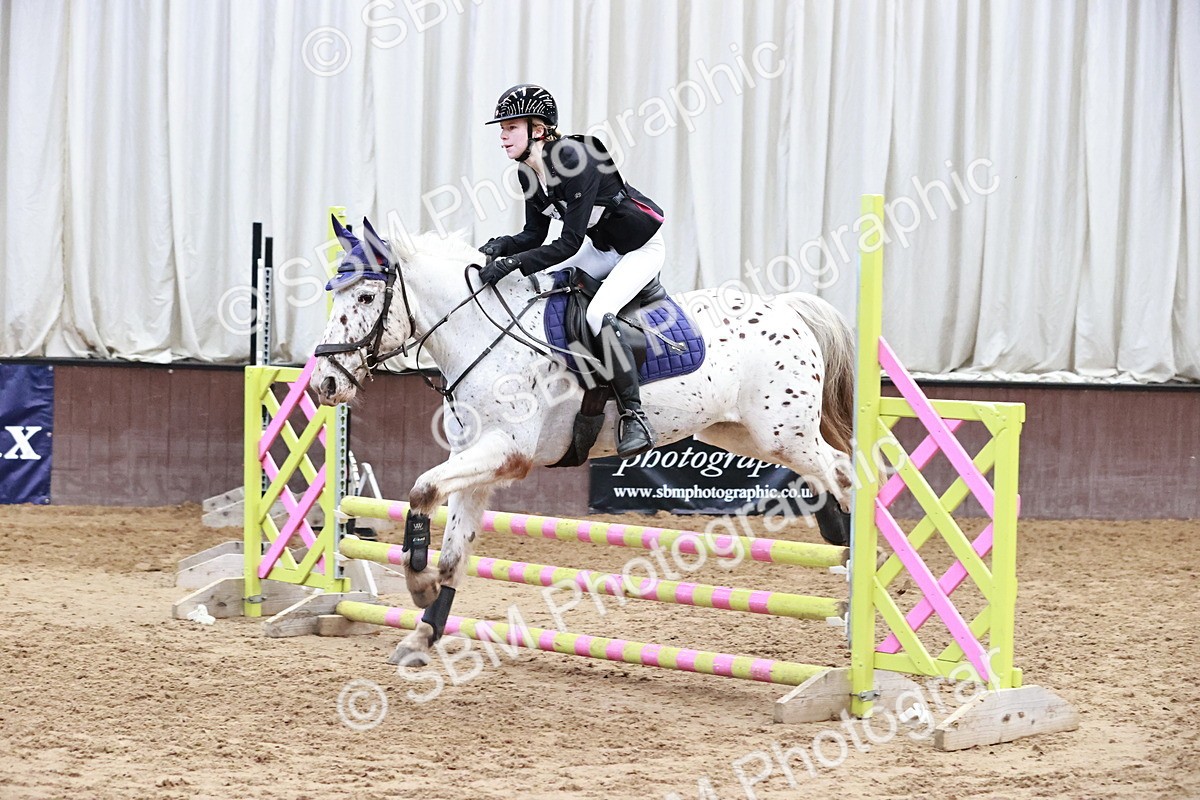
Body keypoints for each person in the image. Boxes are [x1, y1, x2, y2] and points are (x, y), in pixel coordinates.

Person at [477, 83, 666, 459]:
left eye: (511, 126)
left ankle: (634, 415)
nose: (502, 134)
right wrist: (505, 246)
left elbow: (568, 243)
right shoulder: (527, 173)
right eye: (502, 127)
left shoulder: (575, 158)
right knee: (536, 284)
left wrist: (513, 262)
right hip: (600, 249)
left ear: (539, 129)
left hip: (639, 250)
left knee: (598, 313)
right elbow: (535, 234)